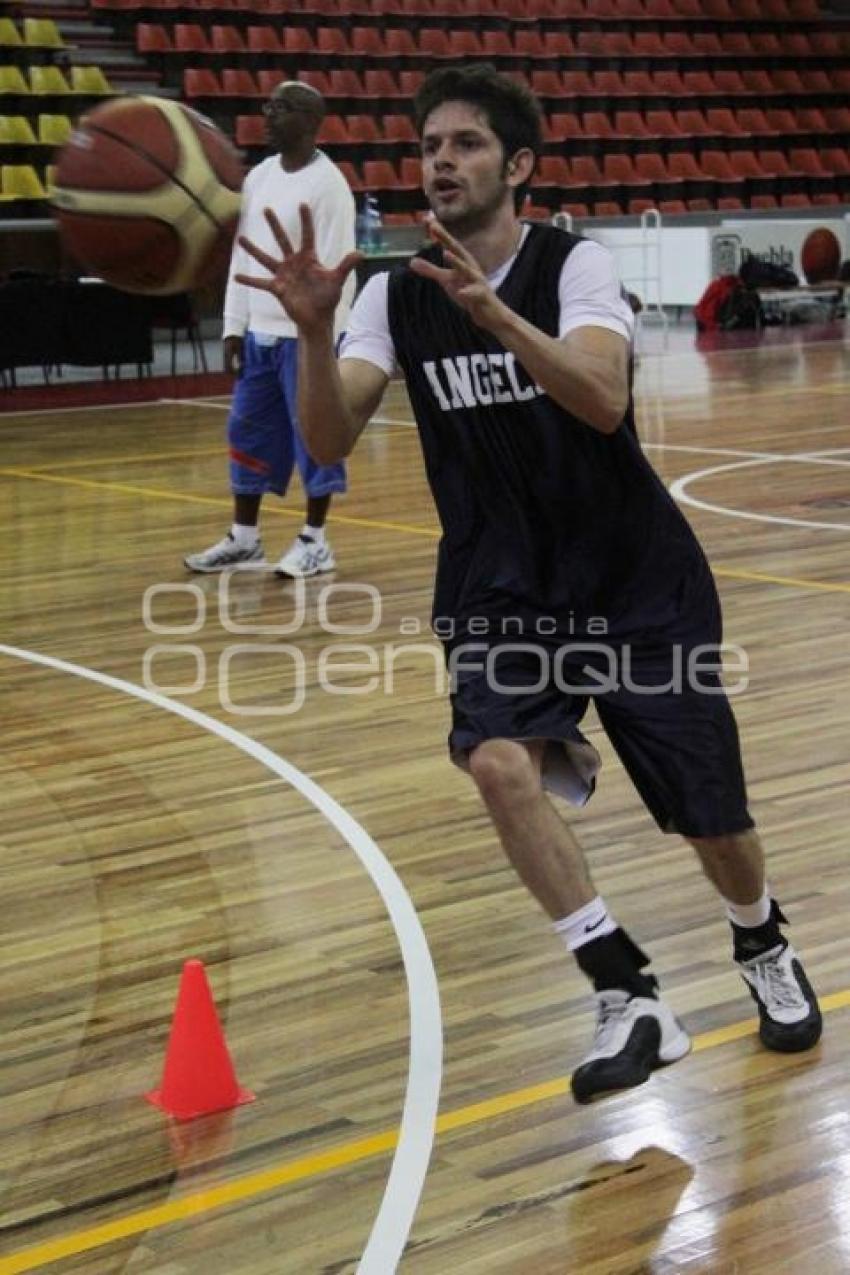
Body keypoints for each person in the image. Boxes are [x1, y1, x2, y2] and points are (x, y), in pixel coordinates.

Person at [234, 65, 822, 1102]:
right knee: (498, 763)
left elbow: (600, 398)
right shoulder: (389, 294)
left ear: (518, 166)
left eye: (462, 144)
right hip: (499, 579)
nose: (440, 163)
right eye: (428, 147)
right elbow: (324, 440)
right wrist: (319, 332)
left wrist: (497, 317)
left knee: (709, 818)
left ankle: (759, 940)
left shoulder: (576, 266)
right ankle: (625, 989)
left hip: (633, 574)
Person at [184, 80, 356, 578]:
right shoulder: (258, 177)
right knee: (247, 431)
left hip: (305, 338)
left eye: (281, 107)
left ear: (311, 120)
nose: (267, 113)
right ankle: (244, 539)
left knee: (316, 440)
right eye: (268, 105)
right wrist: (233, 326)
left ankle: (316, 541)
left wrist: (324, 343)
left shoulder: (330, 187)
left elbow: (338, 274)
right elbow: (244, 252)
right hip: (260, 332)